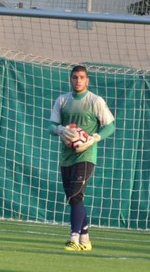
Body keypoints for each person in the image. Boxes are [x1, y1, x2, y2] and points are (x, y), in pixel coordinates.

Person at [48, 65, 115, 251]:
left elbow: (110, 126)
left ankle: (74, 238)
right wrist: (60, 129)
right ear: (70, 79)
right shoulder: (62, 100)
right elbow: (51, 125)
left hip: (86, 155)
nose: (78, 80)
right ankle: (85, 239)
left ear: (88, 81)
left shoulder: (95, 101)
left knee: (76, 196)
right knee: (73, 198)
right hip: (66, 157)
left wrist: (94, 138)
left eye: (82, 77)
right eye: (75, 77)